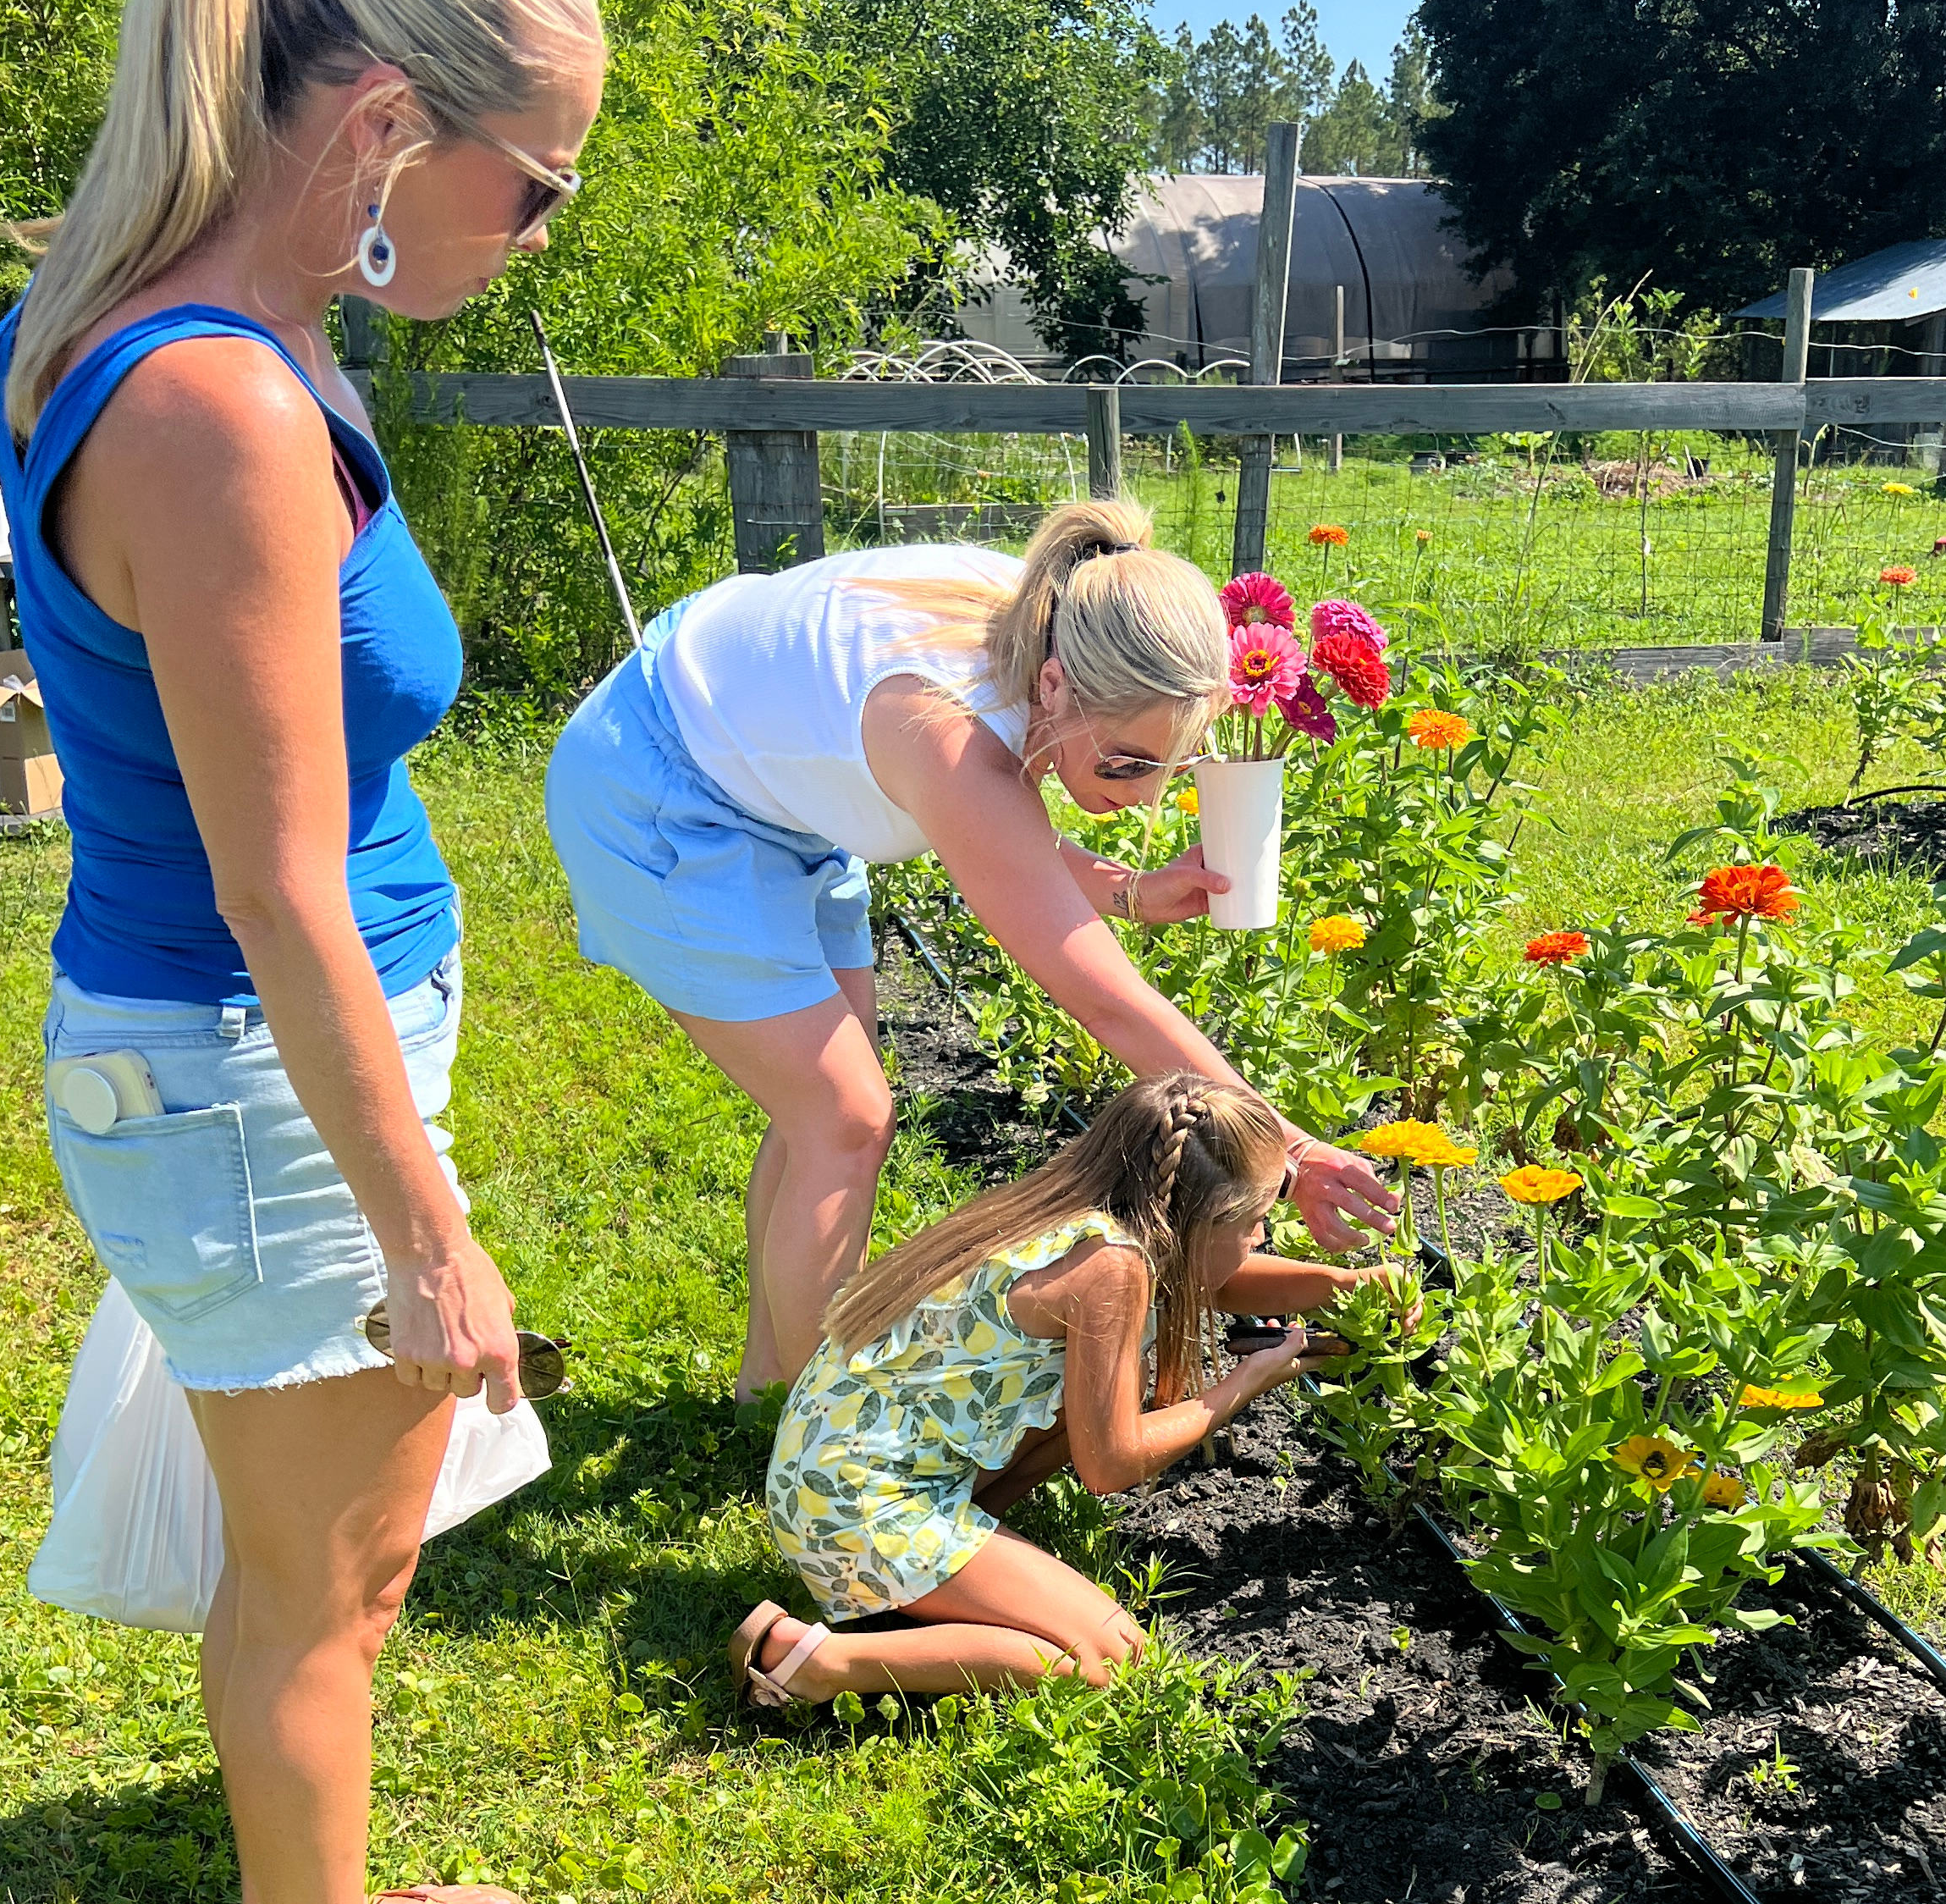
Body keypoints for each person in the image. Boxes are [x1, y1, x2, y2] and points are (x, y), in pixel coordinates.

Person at [0, 0, 605, 1904]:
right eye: (531, 183)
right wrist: (424, 1225)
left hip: (262, 1058)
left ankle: (301, 1901)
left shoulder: (224, 337)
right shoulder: (220, 403)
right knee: (321, 1570)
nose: (539, 232)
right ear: (378, 124)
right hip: (250, 1062)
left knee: (343, 1538)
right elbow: (276, 885)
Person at [543, 503, 1396, 1400]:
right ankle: (821, 1437)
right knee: (843, 1117)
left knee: (827, 1113)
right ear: (1059, 686)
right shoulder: (945, 724)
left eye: (1171, 767)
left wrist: (1129, 891)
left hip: (776, 788)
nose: (1145, 799)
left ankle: (768, 1389)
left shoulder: (1072, 607)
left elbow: (1000, 835)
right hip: (661, 786)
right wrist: (1294, 1151)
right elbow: (1101, 993)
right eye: (1126, 764)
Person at [733, 1073, 1386, 1704]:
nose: (1262, 1237)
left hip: (825, 1467)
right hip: (855, 1512)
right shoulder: (1112, 1270)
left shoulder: (1091, 1212)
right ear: (1195, 1221)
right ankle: (822, 1662)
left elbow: (1221, 1276)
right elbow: (1112, 1463)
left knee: (1090, 1405)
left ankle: (956, 1577)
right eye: (1253, 1221)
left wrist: (1346, 1287)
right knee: (1107, 1659)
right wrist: (1245, 1382)